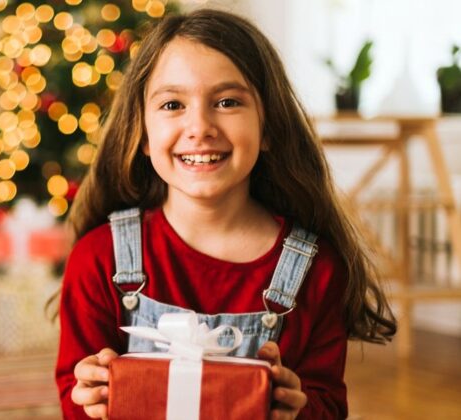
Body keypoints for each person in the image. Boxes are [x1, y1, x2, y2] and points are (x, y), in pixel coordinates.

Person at [54, 8, 396, 420]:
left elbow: (328, 406)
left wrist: (295, 409)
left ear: (269, 128)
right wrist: (90, 397)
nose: (200, 126)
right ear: (142, 134)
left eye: (228, 102)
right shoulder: (98, 259)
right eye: (173, 104)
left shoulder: (318, 269)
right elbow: (75, 395)